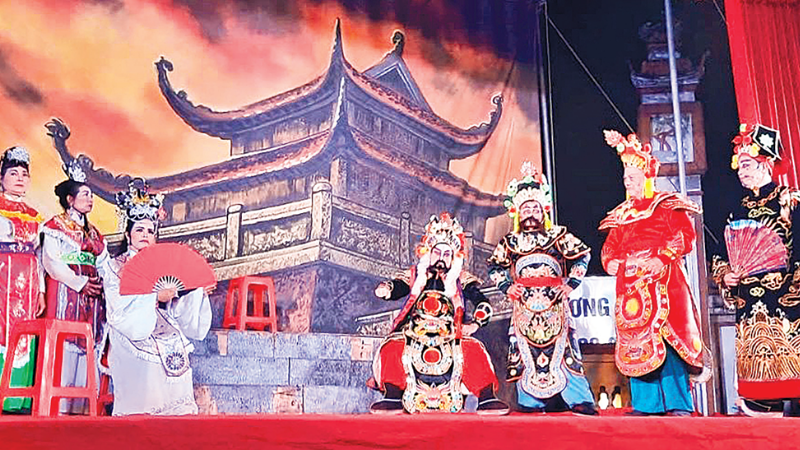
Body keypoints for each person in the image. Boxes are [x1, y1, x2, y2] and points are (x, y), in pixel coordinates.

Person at [599, 130, 706, 416]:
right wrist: (610, 262)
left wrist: (662, 257)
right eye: (625, 178)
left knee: (668, 340)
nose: (628, 182)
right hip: (631, 289)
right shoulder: (621, 215)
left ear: (646, 177)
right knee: (636, 341)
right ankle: (647, 404)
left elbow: (685, 236)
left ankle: (677, 403)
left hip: (665, 283)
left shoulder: (667, 205)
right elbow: (610, 247)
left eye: (633, 177)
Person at [369, 212, 508, 415]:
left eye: (447, 254)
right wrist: (387, 289)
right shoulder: (415, 275)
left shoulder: (461, 279)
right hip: (414, 331)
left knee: (474, 349)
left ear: (453, 258)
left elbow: (483, 303)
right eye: (437, 252)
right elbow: (398, 286)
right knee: (391, 347)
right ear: (428, 253)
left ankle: (487, 397)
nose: (441, 258)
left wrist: (474, 324)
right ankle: (393, 396)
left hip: (449, 332)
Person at [488, 162, 597, 415]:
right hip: (524, 304)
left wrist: (571, 283)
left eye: (535, 208)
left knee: (564, 349)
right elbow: (494, 267)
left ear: (543, 211)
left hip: (554, 302)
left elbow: (583, 256)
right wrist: (507, 286)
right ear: (518, 213)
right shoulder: (510, 242)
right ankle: (530, 401)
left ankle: (579, 399)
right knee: (524, 349)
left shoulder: (558, 235)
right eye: (525, 209)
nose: (530, 213)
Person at [97, 179, 212, 415]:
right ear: (128, 234)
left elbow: (176, 307)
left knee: (176, 342)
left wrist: (194, 292)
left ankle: (175, 414)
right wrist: (153, 297)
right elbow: (118, 308)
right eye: (139, 230)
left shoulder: (162, 265)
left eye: (150, 231)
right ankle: (144, 415)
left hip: (160, 322)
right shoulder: (114, 266)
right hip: (130, 327)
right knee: (149, 361)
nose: (145, 235)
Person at [710, 124, 800, 416]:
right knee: (754, 346)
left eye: (747, 164)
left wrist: (794, 285)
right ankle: (763, 398)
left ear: (766, 164)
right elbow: (721, 252)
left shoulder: (790, 200)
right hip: (748, 293)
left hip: (786, 289)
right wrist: (725, 274)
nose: (741, 171)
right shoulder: (736, 208)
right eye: (739, 166)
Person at [40, 160, 108, 413]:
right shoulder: (54, 227)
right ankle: (58, 406)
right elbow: (51, 262)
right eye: (85, 194)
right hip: (66, 291)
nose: (90, 199)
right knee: (66, 344)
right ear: (70, 199)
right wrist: (79, 283)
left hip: (92, 295)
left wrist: (101, 283)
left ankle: (81, 408)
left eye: (91, 195)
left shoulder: (95, 233)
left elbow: (103, 262)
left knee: (88, 345)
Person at [0, 146, 45, 413]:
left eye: (24, 174)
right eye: (13, 173)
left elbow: (38, 255)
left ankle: (18, 398)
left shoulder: (34, 215)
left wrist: (40, 291)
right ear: (2, 178)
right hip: (2, 276)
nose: (19, 178)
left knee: (24, 333)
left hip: (28, 281)